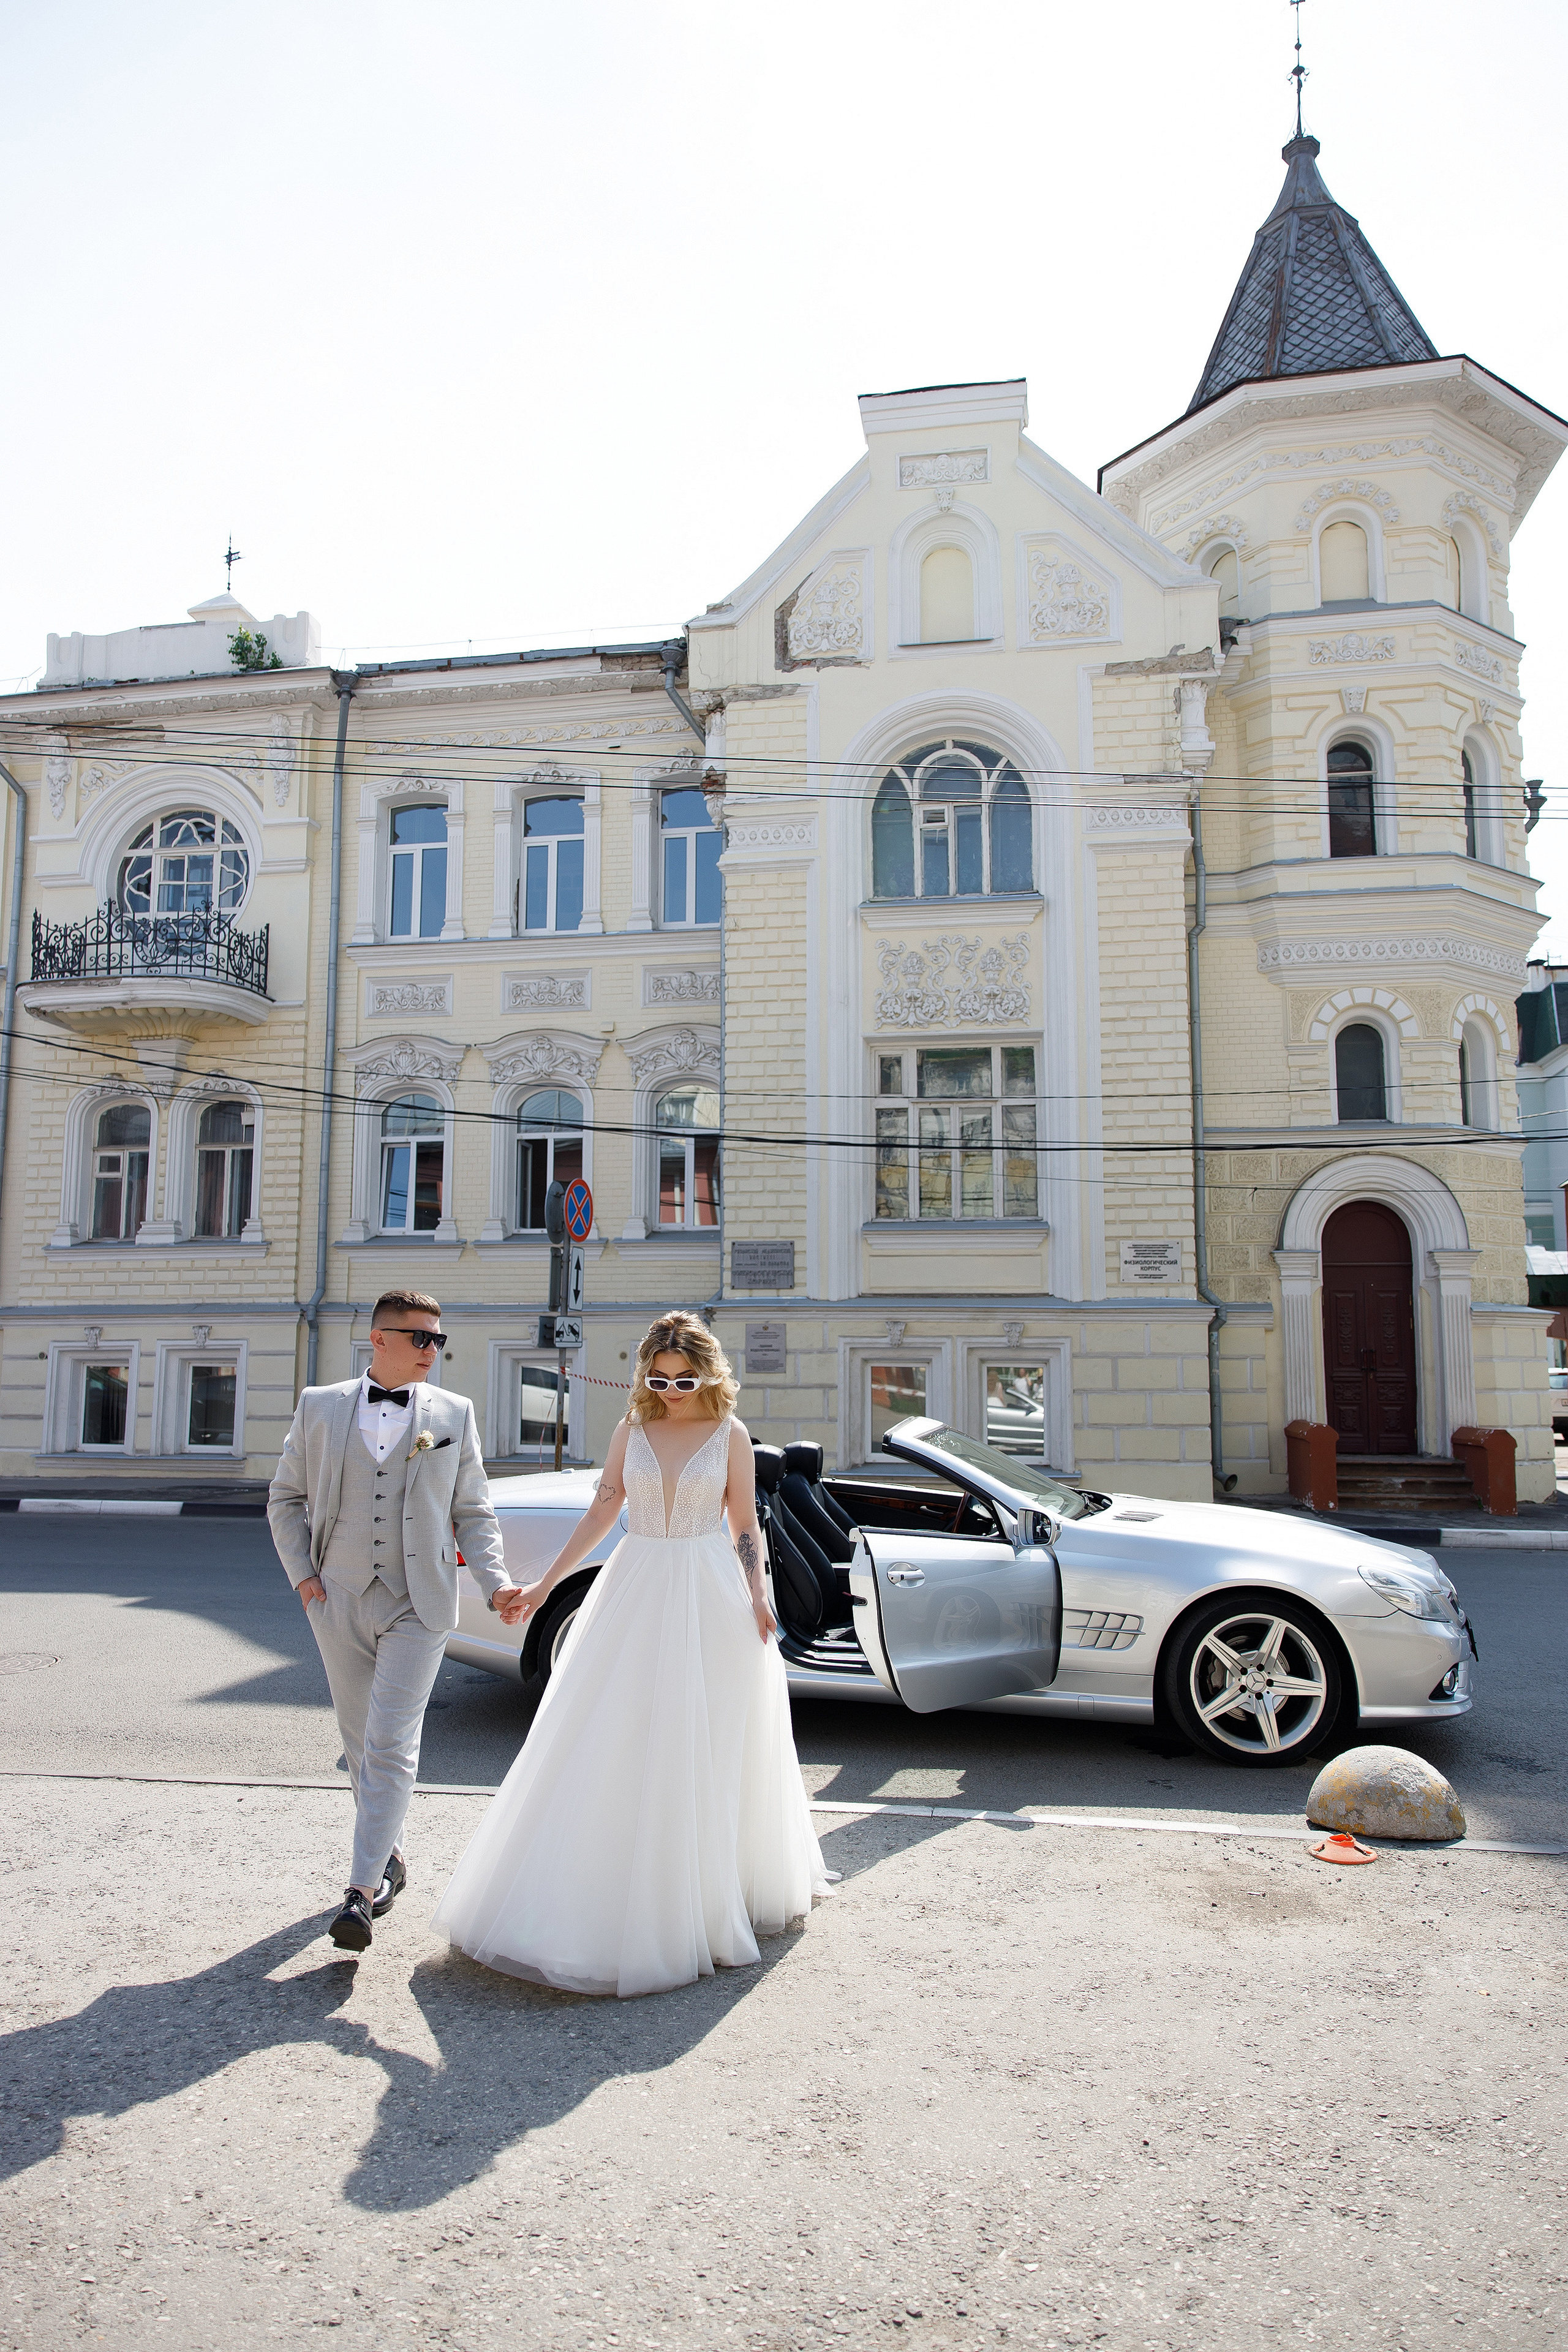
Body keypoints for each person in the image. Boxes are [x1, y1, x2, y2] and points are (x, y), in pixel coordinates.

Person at [432, 1310, 829, 1998]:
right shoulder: (631, 1430)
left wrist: (758, 1593)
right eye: (658, 1377)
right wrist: (544, 1584)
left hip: (710, 1591)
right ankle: (613, 1885)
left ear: (709, 1374)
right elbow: (601, 1511)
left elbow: (744, 1522)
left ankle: (705, 1892)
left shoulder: (729, 1433)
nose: (671, 1389)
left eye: (683, 1378)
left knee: (708, 1741)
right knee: (616, 1735)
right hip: (637, 1584)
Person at [268, 1289, 526, 1953]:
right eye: (418, 1339)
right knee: (359, 1741)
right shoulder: (320, 1406)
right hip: (340, 1598)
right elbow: (285, 1498)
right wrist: (303, 1574)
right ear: (377, 1338)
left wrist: (496, 1585)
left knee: (390, 1740)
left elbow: (475, 1511)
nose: (431, 1351)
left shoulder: (455, 1414)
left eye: (438, 1340)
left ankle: (359, 1891)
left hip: (421, 1601)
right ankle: (392, 1858)